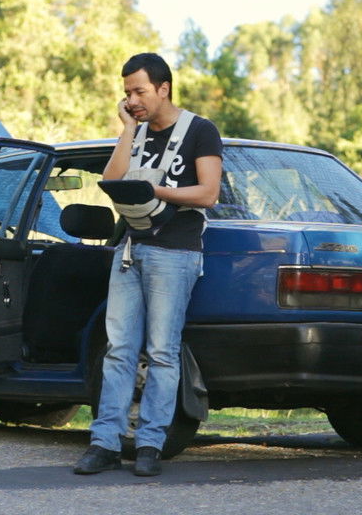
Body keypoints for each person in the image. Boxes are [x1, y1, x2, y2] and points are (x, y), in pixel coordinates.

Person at [74, 53, 222, 476]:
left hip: (175, 253)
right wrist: (127, 129)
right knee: (118, 349)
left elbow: (208, 193)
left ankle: (150, 446)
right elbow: (112, 180)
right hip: (130, 251)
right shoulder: (135, 131)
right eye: (127, 93)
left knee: (161, 352)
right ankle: (104, 443)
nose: (132, 100)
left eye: (139, 91)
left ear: (163, 88)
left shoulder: (201, 130)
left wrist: (153, 191)